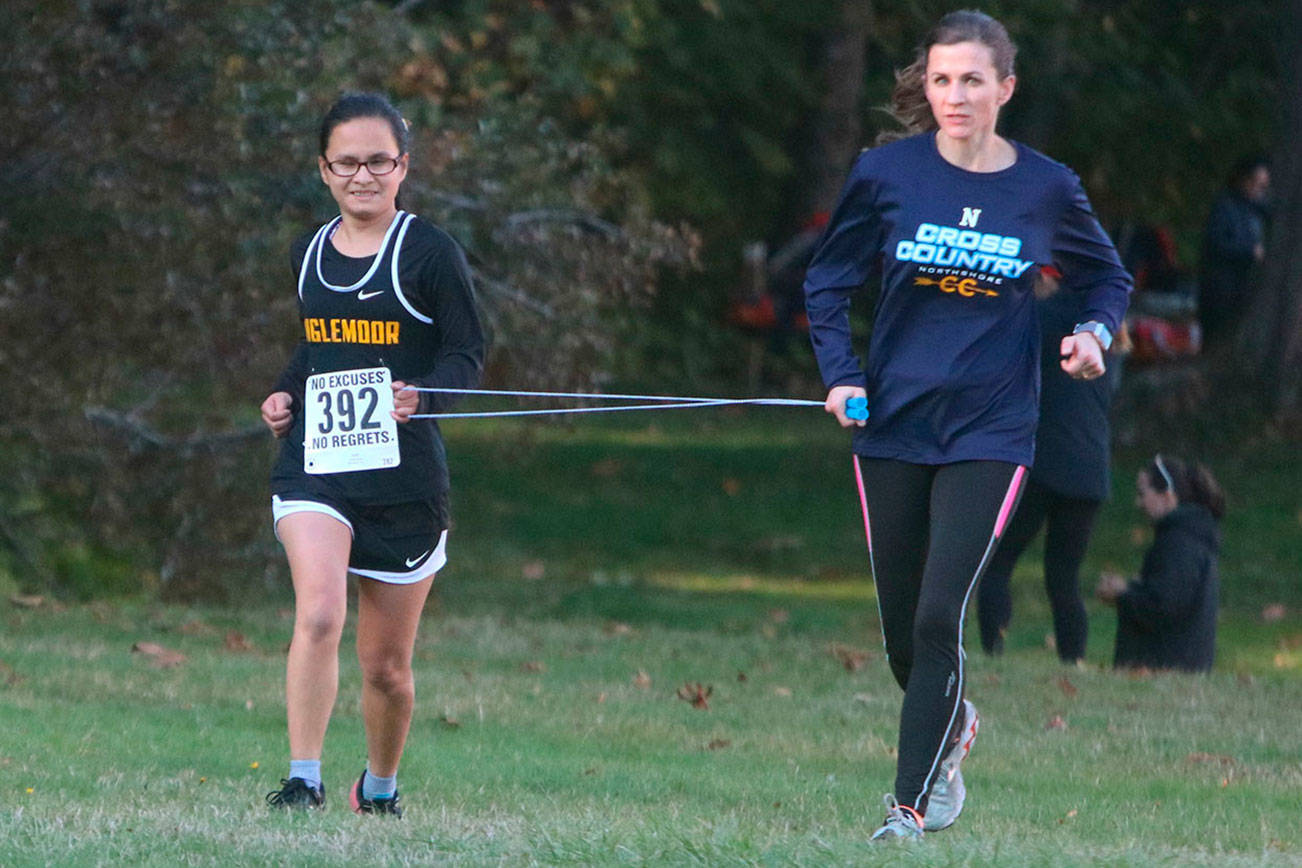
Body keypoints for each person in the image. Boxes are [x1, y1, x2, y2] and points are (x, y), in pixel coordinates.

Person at [802, 11, 1131, 841]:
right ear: (929, 87)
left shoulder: (1046, 187)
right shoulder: (886, 174)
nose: (955, 95)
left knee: (938, 615)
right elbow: (827, 281)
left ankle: (908, 811)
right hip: (892, 425)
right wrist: (841, 377)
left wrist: (1092, 336)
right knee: (902, 635)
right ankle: (953, 727)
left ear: (1005, 89)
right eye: (943, 79)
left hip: (993, 429)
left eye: (973, 80)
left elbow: (1107, 280)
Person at [259, 92, 484, 815]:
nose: (363, 176)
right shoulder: (308, 253)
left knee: (386, 670)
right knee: (319, 612)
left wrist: (426, 395)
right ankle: (303, 780)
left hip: (406, 478)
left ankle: (378, 788)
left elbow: (466, 352)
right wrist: (284, 395)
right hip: (315, 467)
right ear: (323, 170)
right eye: (347, 162)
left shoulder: (430, 252)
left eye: (378, 161)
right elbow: (318, 350)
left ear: (403, 167)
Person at [976, 282, 1123, 664]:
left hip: (1044, 464)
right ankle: (1073, 660)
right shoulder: (1103, 334)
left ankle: (993, 648)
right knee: (1064, 578)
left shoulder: (1046, 318)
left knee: (998, 561)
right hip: (1090, 470)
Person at [1096, 455, 1223, 673]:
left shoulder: (1179, 544)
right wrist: (1131, 589)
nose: (1138, 503)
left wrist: (1121, 596)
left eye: (1143, 494)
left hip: (1167, 667)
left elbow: (1162, 608)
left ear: (1167, 497)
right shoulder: (1187, 537)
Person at [1198, 156, 1270, 350]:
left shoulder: (1257, 209)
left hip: (1244, 286)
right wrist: (1249, 251)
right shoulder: (1225, 206)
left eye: (1262, 185)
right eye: (1255, 183)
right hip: (1221, 288)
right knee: (1217, 338)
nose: (1258, 189)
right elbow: (1216, 243)